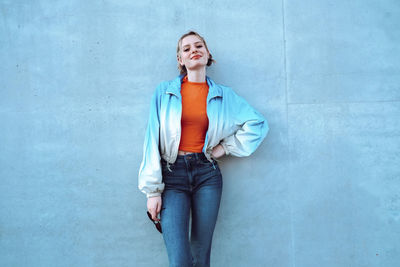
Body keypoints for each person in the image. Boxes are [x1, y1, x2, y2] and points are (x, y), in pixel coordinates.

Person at [138, 30, 269, 267]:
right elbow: (151, 140)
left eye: (199, 46)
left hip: (207, 175)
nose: (193, 51)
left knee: (201, 256)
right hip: (172, 175)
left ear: (208, 54)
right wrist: (152, 191)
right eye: (186, 49)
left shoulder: (223, 95)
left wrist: (226, 147)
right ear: (180, 60)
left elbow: (257, 123)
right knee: (180, 260)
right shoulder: (165, 92)